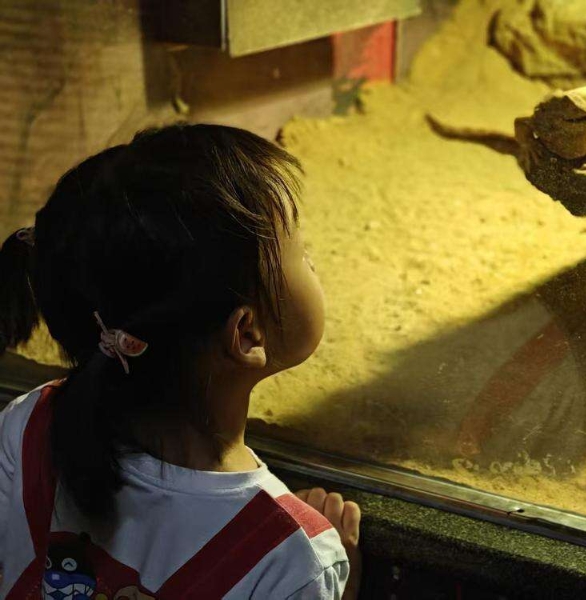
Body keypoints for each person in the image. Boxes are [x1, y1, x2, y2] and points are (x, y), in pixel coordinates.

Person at [0, 124, 361, 599]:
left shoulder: (28, 424)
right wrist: (341, 577)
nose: (312, 261)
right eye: (299, 250)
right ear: (247, 333)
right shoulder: (289, 556)